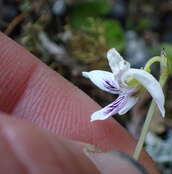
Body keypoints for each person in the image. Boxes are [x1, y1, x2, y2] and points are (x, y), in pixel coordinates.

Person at [0, 32, 159, 174]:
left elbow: (149, 86)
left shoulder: (138, 81)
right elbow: (103, 78)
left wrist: (159, 101)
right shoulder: (131, 84)